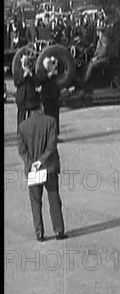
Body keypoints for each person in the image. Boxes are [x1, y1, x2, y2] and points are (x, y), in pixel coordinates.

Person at [17, 93, 66, 242]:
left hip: (33, 169)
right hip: (49, 167)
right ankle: (58, 231)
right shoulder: (50, 121)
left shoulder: (22, 127)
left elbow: (22, 150)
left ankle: (39, 232)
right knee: (54, 198)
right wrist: (42, 160)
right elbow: (52, 145)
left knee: (35, 201)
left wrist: (32, 163)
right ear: (40, 106)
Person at [37, 56, 62, 138]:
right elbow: (39, 80)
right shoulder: (41, 71)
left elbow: (59, 75)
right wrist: (48, 76)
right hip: (47, 96)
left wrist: (56, 64)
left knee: (55, 117)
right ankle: (48, 136)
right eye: (48, 64)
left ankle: (55, 135)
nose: (49, 65)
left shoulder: (53, 69)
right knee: (48, 116)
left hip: (54, 96)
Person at [14, 54, 39, 127]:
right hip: (21, 97)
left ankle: (30, 134)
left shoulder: (33, 70)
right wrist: (24, 76)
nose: (26, 62)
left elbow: (37, 82)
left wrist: (31, 74)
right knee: (21, 117)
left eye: (27, 60)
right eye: (24, 60)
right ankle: (21, 134)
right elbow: (16, 82)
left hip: (30, 97)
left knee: (31, 117)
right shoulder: (18, 70)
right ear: (21, 61)